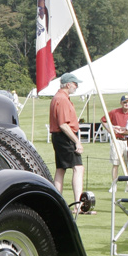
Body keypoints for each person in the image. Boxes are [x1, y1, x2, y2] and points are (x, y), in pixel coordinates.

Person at [48, 73, 85, 205]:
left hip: (59, 137)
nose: (77, 87)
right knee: (78, 168)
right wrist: (77, 141)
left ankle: (57, 202)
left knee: (61, 169)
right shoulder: (62, 99)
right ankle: (78, 204)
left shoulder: (59, 97)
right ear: (68, 84)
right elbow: (63, 124)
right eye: (75, 84)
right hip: (64, 137)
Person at [100, 94, 128, 193]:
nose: (127, 104)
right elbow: (103, 120)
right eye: (125, 102)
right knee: (115, 163)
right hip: (117, 140)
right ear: (121, 103)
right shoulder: (114, 112)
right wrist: (110, 129)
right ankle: (114, 185)